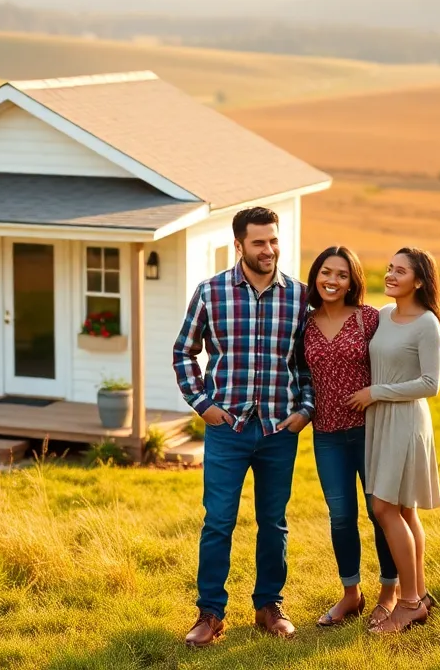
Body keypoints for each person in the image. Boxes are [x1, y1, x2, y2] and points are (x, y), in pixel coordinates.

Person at [173, 206, 315, 648]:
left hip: (278, 430)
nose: (269, 249)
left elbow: (309, 363)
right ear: (239, 245)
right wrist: (203, 405)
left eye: (274, 240)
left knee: (274, 522)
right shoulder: (210, 292)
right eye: (259, 242)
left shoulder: (299, 297)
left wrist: (305, 410)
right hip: (227, 430)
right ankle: (210, 614)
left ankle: (268, 606)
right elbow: (183, 352)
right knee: (218, 522)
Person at [346, 246, 440, 634]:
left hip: (405, 420)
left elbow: (431, 383)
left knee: (384, 507)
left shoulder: (427, 324)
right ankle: (419, 597)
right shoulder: (384, 315)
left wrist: (376, 392)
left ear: (419, 281)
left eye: (400, 271)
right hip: (381, 421)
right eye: (389, 268)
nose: (390, 275)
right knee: (405, 511)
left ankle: (407, 604)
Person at [301, 245, 401, 628]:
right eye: (327, 272)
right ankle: (351, 595)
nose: (333, 280)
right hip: (325, 434)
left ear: (352, 281)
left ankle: (389, 594)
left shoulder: (369, 319)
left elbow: (397, 356)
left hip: (370, 433)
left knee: (381, 514)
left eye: (342, 275)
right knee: (341, 517)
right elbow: (300, 376)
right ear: (316, 275)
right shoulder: (305, 324)